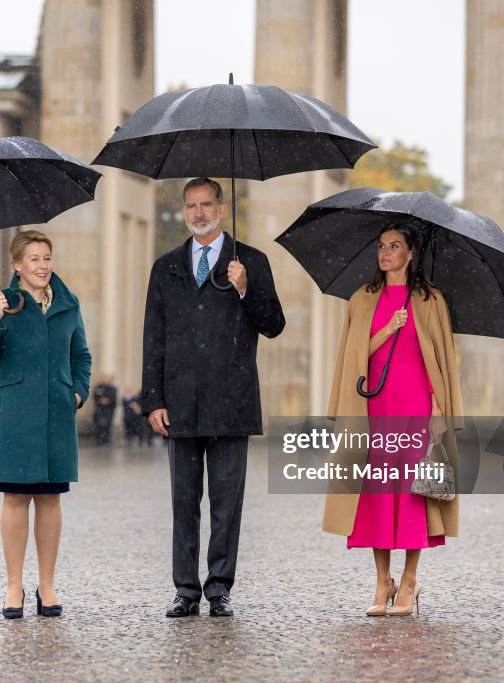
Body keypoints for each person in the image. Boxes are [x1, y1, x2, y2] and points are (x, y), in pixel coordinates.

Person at [141, 177, 285, 618]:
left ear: (222, 209)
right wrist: (153, 400)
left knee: (226, 503)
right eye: (191, 206)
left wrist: (246, 289)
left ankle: (219, 587)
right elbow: (154, 338)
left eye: (207, 205)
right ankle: (185, 590)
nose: (199, 213)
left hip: (231, 402)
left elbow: (274, 323)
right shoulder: (165, 267)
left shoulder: (251, 262)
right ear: (184, 211)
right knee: (183, 503)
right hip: (180, 402)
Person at [321, 225, 463, 617]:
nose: (385, 253)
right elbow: (353, 355)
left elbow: (443, 360)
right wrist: (388, 329)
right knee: (377, 492)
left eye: (394, 246)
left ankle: (410, 580)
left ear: (410, 253)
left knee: (413, 492)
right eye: (381, 246)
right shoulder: (362, 299)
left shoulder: (431, 299)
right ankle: (382, 581)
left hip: (417, 405)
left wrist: (438, 409)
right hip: (374, 406)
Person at [0, 229, 92, 619]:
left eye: (47, 257)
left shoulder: (68, 304)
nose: (43, 266)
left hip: (56, 412)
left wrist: (77, 391)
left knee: (50, 499)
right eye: (34, 259)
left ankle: (48, 585)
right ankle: (13, 587)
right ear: (17, 266)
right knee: (15, 498)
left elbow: (82, 356)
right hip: (14, 412)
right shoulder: (1, 303)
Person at [91, 374, 118, 446]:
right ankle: (99, 440)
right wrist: (100, 400)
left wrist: (108, 401)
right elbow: (95, 397)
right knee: (99, 425)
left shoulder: (113, 389)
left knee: (108, 425)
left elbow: (114, 399)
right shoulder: (98, 387)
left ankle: (106, 440)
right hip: (99, 409)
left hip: (109, 410)